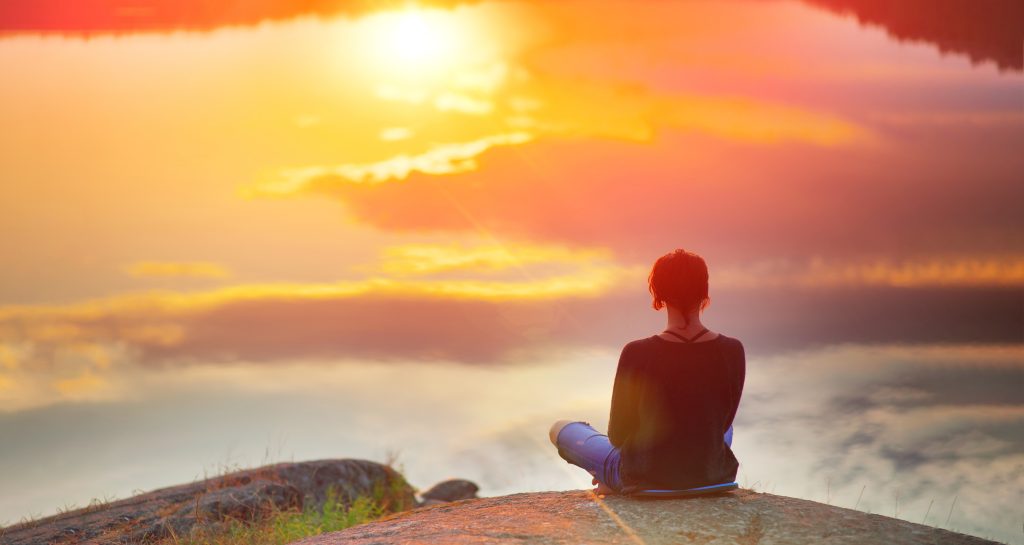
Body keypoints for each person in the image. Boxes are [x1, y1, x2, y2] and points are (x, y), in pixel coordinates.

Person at [549, 248, 746, 495]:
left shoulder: (637, 352)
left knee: (561, 429)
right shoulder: (732, 349)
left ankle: (611, 479)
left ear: (659, 295)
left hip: (645, 477)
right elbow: (724, 422)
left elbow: (618, 436)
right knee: (723, 429)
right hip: (712, 476)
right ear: (704, 293)